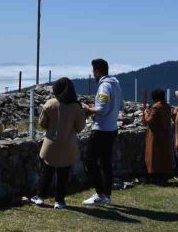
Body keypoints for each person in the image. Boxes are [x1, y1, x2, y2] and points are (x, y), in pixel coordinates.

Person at [31, 77, 86, 209]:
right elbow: (80, 127)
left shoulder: (50, 104)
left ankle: (40, 197)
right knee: (63, 174)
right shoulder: (76, 107)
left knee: (46, 171)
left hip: (50, 145)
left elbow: (42, 123)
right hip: (68, 145)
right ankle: (59, 201)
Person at [81, 58, 123, 205]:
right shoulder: (116, 84)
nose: (93, 74)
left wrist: (88, 109)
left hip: (101, 129)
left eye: (93, 71)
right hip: (112, 128)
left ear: (98, 71)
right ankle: (107, 195)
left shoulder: (104, 86)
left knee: (90, 160)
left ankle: (100, 193)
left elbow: (102, 109)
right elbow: (119, 105)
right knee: (106, 163)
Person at [143, 88, 174, 185]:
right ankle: (164, 177)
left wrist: (145, 114)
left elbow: (149, 121)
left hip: (156, 136)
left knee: (154, 156)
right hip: (166, 135)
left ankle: (155, 178)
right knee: (164, 156)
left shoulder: (156, 107)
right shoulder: (167, 106)